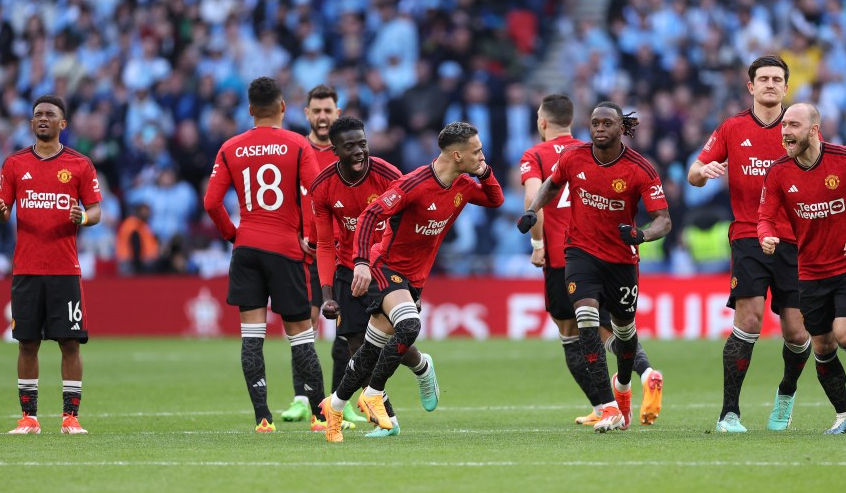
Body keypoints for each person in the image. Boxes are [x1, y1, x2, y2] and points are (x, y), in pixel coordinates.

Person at [319, 121, 504, 442]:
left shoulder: (462, 184)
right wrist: (361, 263)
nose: (482, 156)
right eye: (477, 152)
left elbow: (495, 200)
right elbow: (369, 216)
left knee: (369, 349)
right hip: (383, 267)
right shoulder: (413, 184)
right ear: (458, 155)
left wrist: (485, 172)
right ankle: (375, 393)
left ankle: (334, 406)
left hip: (414, 277)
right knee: (408, 326)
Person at [518, 102, 672, 432]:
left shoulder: (640, 169)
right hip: (579, 253)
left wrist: (641, 235)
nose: (599, 128)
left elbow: (664, 221)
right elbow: (551, 184)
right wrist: (533, 210)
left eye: (607, 124)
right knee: (586, 319)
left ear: (621, 129)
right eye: (595, 123)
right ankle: (608, 407)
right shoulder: (574, 157)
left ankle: (625, 390)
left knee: (623, 332)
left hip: (621, 260)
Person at [687, 55, 812, 433]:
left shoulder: (800, 128)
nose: (770, 84)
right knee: (750, 321)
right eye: (764, 79)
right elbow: (693, 173)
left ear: (786, 87)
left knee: (796, 331)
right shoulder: (731, 129)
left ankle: (786, 394)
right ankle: (729, 414)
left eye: (777, 79)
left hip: (794, 240)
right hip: (748, 235)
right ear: (751, 86)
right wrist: (703, 172)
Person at [759, 103, 846, 434]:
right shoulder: (778, 172)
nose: (785, 131)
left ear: (813, 130)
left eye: (793, 124)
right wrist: (766, 236)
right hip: (810, 271)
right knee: (821, 347)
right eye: (783, 125)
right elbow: (765, 216)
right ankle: (844, 415)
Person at [202, 76, 327, 433]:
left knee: (251, 336)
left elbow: (211, 202)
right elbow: (314, 196)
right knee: (301, 336)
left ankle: (262, 418)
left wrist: (233, 234)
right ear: (283, 107)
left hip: (247, 249)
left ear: (251, 110)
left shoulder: (230, 147)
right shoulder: (298, 144)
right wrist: (311, 238)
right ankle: (320, 417)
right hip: (286, 250)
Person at [311, 116, 440, 438]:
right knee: (358, 347)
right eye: (350, 146)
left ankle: (422, 366)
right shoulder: (323, 186)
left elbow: (401, 228)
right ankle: (389, 420)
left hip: (384, 266)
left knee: (393, 335)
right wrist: (327, 293)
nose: (359, 152)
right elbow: (325, 243)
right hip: (345, 269)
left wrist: (367, 262)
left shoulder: (388, 175)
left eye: (362, 144)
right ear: (335, 149)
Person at [0, 95, 102, 435]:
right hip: (26, 269)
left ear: (62, 124)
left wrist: (83, 216)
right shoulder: (14, 164)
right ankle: (29, 419)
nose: (43, 118)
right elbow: (4, 208)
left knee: (70, 343)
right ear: (31, 123)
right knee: (27, 342)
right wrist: (0, 211)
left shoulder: (80, 164)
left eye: (50, 114)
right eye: (38, 114)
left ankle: (70, 418)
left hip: (64, 270)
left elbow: (97, 210)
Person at [280, 84, 347, 423]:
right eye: (316, 111)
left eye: (328, 110)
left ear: (338, 112)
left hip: (342, 254)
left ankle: (342, 399)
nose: (322, 117)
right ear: (306, 113)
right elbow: (286, 200)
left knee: (346, 331)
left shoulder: (346, 151)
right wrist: (295, 234)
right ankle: (302, 398)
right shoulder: (293, 150)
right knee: (302, 327)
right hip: (303, 252)